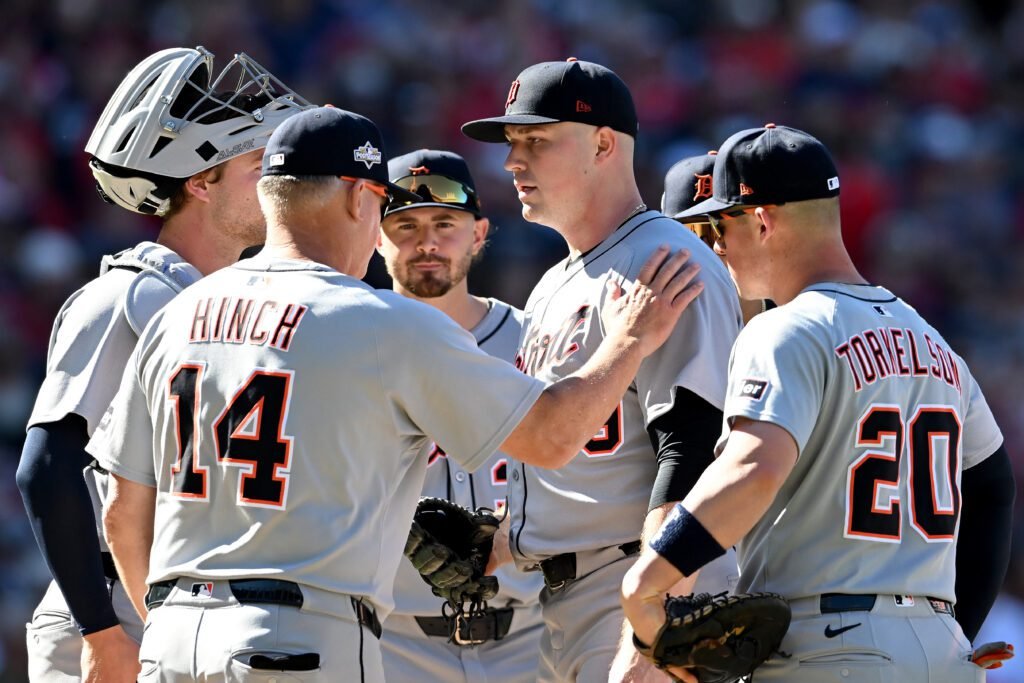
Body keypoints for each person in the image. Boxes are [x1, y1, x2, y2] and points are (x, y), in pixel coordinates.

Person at [85, 105, 704, 683]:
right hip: (296, 636)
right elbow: (552, 436)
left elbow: (120, 511)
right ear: (361, 198)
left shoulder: (180, 310)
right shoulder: (378, 322)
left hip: (173, 636)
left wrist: (165, 622)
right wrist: (629, 339)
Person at [621, 124, 1016, 683]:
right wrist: (956, 630)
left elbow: (753, 469)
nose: (718, 247)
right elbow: (994, 486)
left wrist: (647, 581)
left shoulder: (785, 329)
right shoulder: (932, 340)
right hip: (940, 654)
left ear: (762, 221)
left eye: (722, 224)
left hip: (830, 648)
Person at [15, 45, 309, 683]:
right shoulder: (126, 296)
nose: (277, 182)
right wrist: (100, 633)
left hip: (199, 611)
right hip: (112, 613)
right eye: (257, 165)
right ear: (200, 183)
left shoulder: (237, 301)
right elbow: (47, 468)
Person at [461, 58, 743, 682]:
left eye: (536, 141)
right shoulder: (553, 282)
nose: (512, 162)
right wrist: (503, 536)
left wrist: (651, 627)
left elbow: (693, 453)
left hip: (639, 585)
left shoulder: (666, 260)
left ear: (604, 144)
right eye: (512, 143)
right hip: (565, 600)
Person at [376, 148, 545, 681]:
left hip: (534, 638)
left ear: (479, 234)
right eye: (405, 225)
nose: (427, 242)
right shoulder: (354, 346)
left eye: (445, 224)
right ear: (375, 237)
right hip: (393, 643)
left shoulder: (537, 340)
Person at [661, 151, 774, 324]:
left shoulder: (795, 318)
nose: (714, 248)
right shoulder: (652, 323)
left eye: (720, 230)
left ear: (762, 227)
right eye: (693, 233)